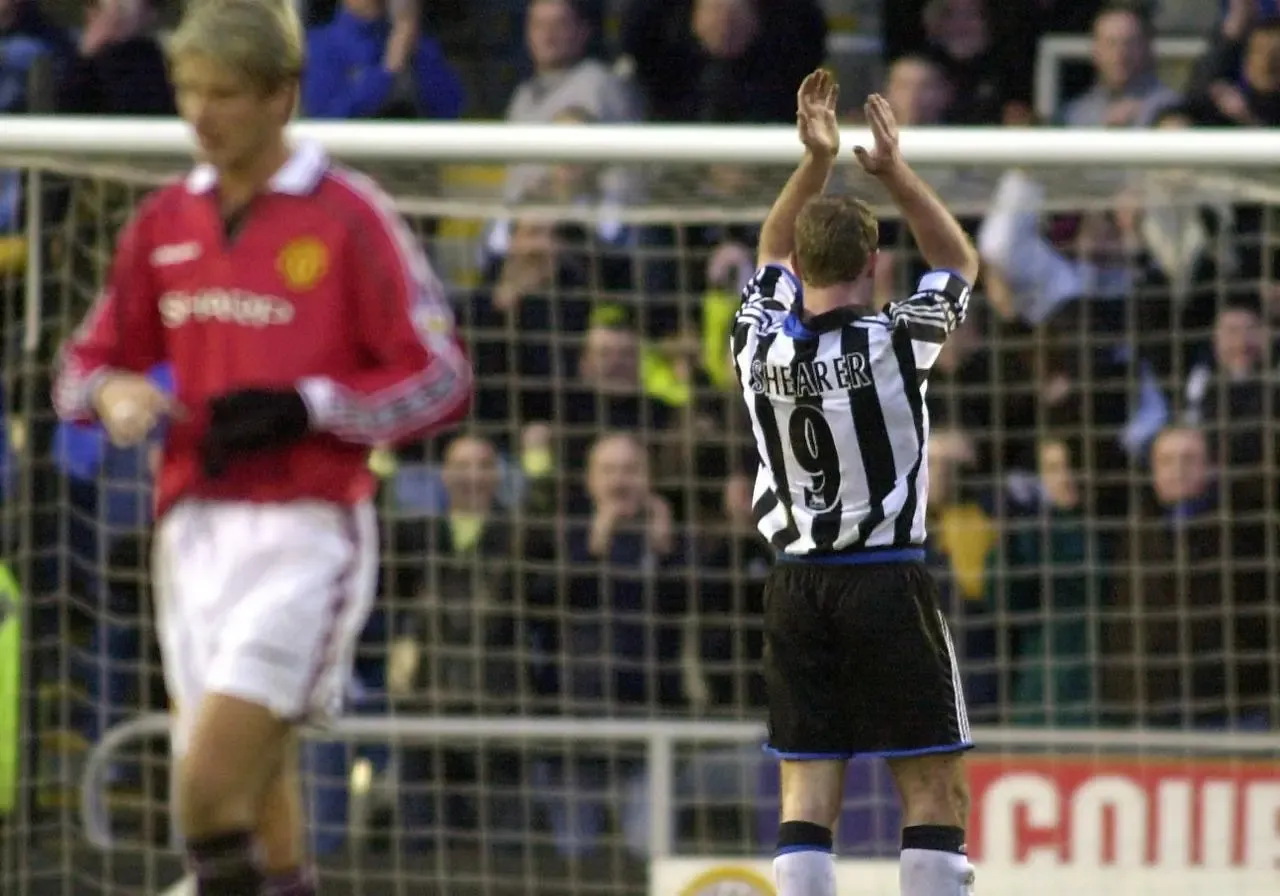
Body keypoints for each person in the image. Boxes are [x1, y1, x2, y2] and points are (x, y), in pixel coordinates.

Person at [51, 1, 473, 894]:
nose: (200, 115)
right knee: (263, 807)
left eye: (226, 95)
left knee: (205, 792)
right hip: (189, 537)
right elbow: (79, 365)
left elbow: (441, 376)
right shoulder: (165, 220)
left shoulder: (351, 215)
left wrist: (312, 405)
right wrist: (112, 391)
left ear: (283, 97)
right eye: (187, 91)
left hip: (306, 537)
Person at [731, 71, 980, 896]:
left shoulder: (754, 344)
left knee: (807, 793)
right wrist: (892, 171)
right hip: (884, 582)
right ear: (873, 264)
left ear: (801, 264)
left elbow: (768, 249)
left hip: (796, 585)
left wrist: (815, 161)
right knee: (932, 787)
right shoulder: (895, 341)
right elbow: (957, 260)